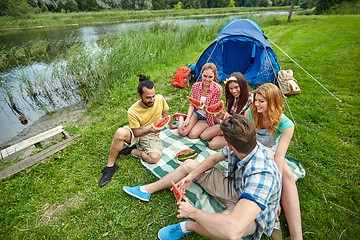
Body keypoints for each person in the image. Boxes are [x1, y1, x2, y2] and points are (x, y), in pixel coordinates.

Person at [123, 115, 282, 240]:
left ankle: (188, 226)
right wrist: (190, 176)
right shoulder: (243, 144)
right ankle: (146, 190)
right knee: (190, 165)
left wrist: (192, 212)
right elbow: (213, 159)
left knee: (227, 230)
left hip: (252, 213)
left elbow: (233, 230)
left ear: (228, 143)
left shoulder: (262, 174)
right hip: (235, 187)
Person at [244, 83, 303, 240]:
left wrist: (276, 186)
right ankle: (273, 217)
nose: (256, 104)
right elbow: (246, 143)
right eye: (255, 100)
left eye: (261, 101)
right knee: (270, 156)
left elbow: (279, 156)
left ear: (273, 102)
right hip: (252, 155)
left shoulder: (286, 125)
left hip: (273, 156)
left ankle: (297, 236)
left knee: (288, 177)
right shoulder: (250, 114)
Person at [98, 74, 177, 187]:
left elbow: (165, 113)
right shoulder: (132, 110)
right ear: (140, 96)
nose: (152, 100)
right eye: (148, 98)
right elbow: (136, 133)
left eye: (153, 96)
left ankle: (131, 150)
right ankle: (110, 167)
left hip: (151, 135)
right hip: (138, 131)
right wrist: (150, 129)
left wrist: (170, 125)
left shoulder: (159, 99)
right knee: (120, 132)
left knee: (154, 158)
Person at [200, 72, 253, 150]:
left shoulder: (251, 100)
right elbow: (228, 115)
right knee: (203, 136)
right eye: (231, 88)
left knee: (212, 144)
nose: (233, 91)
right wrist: (220, 116)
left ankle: (228, 138)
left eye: (236, 87)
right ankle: (223, 135)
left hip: (240, 133)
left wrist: (227, 116)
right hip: (230, 126)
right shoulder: (232, 98)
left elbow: (247, 126)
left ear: (242, 86)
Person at [176, 63, 222, 139]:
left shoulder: (218, 89)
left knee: (192, 135)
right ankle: (181, 117)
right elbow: (192, 104)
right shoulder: (195, 86)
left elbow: (213, 110)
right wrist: (188, 119)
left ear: (214, 76)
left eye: (210, 77)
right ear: (201, 74)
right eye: (205, 76)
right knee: (182, 132)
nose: (207, 79)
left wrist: (204, 108)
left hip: (207, 117)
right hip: (196, 113)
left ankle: (197, 124)